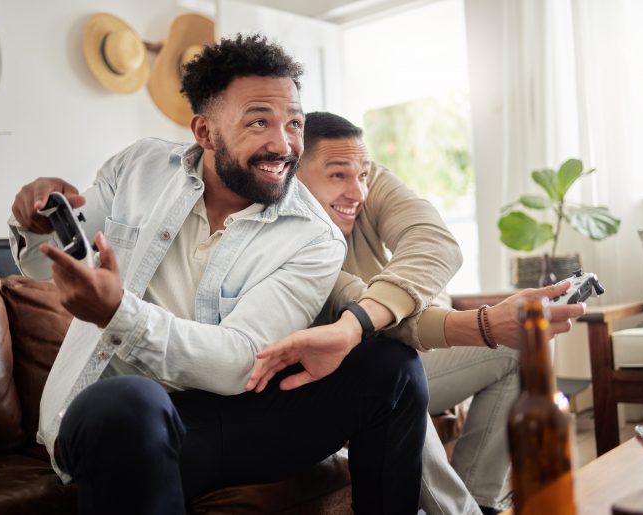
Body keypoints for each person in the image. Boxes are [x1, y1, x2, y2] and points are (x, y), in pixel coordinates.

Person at [8, 36, 428, 515]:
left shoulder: (315, 236)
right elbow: (43, 264)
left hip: (227, 421)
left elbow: (241, 360)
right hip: (118, 418)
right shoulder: (141, 167)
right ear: (205, 132)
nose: (283, 144)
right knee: (131, 400)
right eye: (258, 122)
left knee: (393, 367)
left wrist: (118, 313)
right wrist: (34, 223)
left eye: (294, 123)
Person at [248, 112, 586, 515]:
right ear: (293, 178)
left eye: (363, 175)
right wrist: (483, 323)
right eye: (337, 176)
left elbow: (436, 241)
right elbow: (359, 305)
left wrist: (487, 324)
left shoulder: (356, 169)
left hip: (400, 345)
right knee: (392, 369)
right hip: (341, 379)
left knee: (522, 346)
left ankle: (481, 503)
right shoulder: (286, 237)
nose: (357, 192)